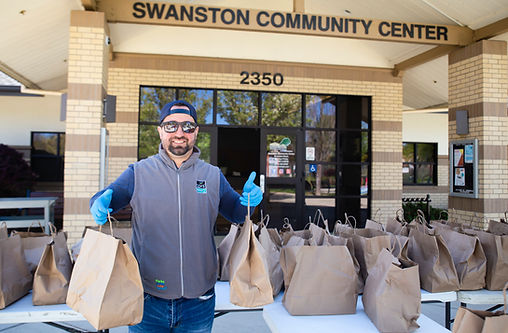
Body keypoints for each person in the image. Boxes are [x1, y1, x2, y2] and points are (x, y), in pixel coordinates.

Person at [89, 100, 263, 332]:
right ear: (160, 130)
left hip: (199, 301)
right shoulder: (138, 173)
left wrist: (250, 203)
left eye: (187, 126)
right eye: (171, 126)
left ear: (196, 132)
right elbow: (109, 197)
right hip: (149, 298)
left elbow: (236, 213)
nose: (179, 132)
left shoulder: (212, 176)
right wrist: (97, 203)